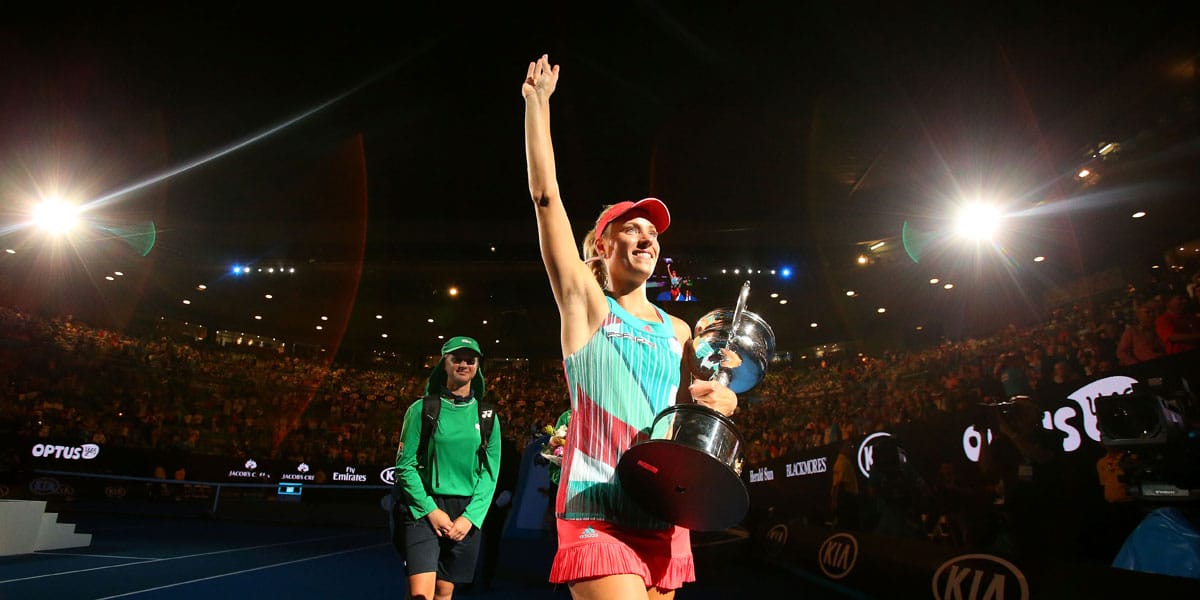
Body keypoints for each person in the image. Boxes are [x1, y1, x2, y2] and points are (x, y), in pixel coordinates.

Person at [523, 54, 738, 600]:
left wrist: (725, 397)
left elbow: (703, 403)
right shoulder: (586, 305)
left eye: (654, 233)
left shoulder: (680, 329)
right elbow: (546, 199)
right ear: (602, 243)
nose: (648, 238)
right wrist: (538, 105)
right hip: (597, 507)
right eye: (632, 229)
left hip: (665, 513)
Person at [394, 336, 501, 600]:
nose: (464, 364)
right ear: (445, 364)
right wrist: (430, 510)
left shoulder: (488, 416)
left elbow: (490, 473)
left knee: (444, 591)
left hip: (465, 513)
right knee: (420, 594)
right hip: (424, 509)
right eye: (457, 359)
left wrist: (470, 518)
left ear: (477, 367)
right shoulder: (422, 409)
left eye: (470, 360)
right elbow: (405, 466)